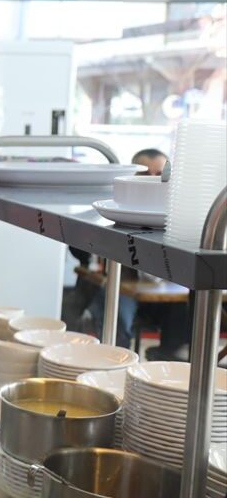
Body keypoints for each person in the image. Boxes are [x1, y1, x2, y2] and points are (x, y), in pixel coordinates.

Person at [78, 148, 169, 348]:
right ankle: (117, 357)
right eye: (146, 174)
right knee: (116, 310)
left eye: (160, 175)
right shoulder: (113, 209)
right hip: (122, 284)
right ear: (133, 175)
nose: (153, 180)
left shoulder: (173, 214)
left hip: (164, 289)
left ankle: (171, 356)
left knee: (187, 309)